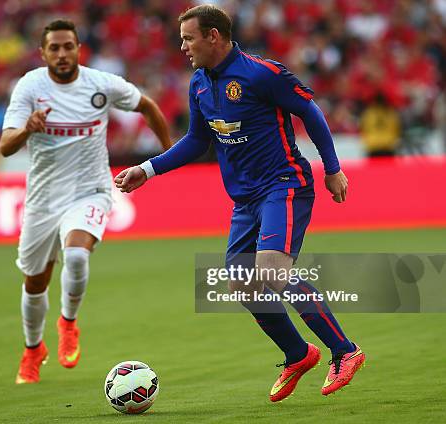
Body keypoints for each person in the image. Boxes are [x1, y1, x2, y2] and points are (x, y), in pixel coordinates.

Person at [115, 5, 365, 402]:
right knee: (242, 282)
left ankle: (345, 350)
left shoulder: (261, 73)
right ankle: (299, 354)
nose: (183, 47)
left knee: (271, 270)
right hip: (245, 199)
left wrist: (331, 168)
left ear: (213, 36)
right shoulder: (199, 83)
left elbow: (310, 112)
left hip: (284, 184)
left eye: (188, 38)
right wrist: (147, 169)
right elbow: (198, 140)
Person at [0, 19, 172, 384]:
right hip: (44, 199)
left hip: (90, 190)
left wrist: (168, 156)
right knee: (35, 283)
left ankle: (68, 323)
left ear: (79, 48)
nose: (62, 54)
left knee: (76, 255)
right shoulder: (30, 86)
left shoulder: (101, 84)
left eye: (68, 46)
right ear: (43, 53)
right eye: (54, 48)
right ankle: (33, 349)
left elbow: (148, 106)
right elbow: (5, 146)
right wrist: (27, 128)